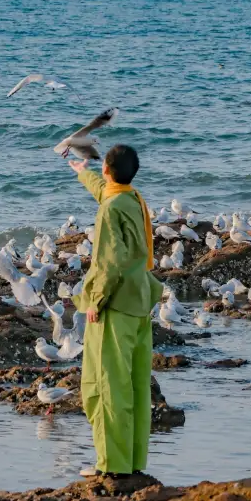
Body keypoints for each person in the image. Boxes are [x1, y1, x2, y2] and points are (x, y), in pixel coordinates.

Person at [68, 144, 163, 479]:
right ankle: (133, 462)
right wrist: (84, 173)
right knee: (136, 385)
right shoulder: (132, 199)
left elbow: (110, 263)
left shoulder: (112, 208)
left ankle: (110, 465)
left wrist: (96, 302)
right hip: (140, 301)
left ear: (107, 169)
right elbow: (104, 193)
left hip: (116, 305)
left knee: (105, 386)